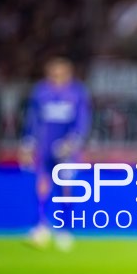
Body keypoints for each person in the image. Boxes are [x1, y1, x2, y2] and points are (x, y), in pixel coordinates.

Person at [20, 57, 91, 251]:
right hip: (45, 147)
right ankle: (41, 226)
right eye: (53, 73)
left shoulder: (77, 93)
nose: (56, 77)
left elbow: (82, 121)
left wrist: (73, 142)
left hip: (66, 149)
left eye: (60, 73)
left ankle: (64, 230)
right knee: (42, 185)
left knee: (66, 188)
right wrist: (28, 143)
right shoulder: (41, 92)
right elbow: (32, 120)